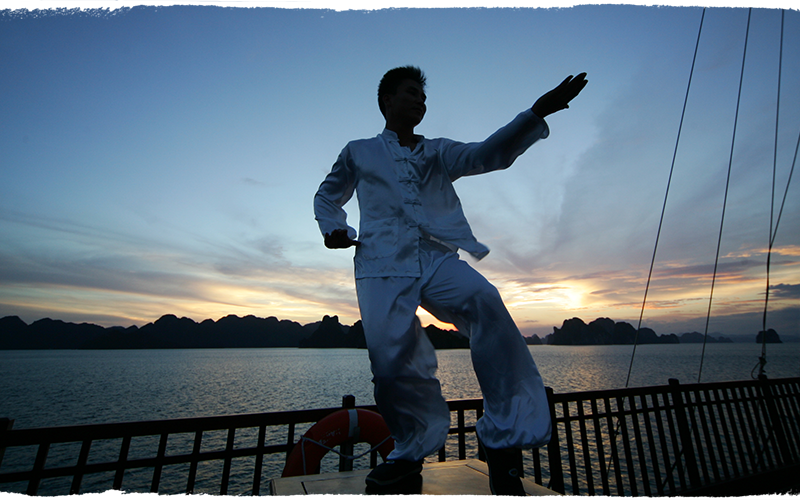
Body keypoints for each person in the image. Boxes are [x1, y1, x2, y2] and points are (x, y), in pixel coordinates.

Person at [314, 66, 587, 495]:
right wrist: (335, 228)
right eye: (411, 93)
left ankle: (503, 436)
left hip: (435, 257)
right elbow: (328, 195)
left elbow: (486, 154)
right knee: (390, 366)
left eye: (424, 97)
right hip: (382, 264)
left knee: (485, 299)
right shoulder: (359, 151)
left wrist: (536, 113)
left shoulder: (437, 151)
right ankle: (408, 453)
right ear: (386, 100)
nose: (420, 102)